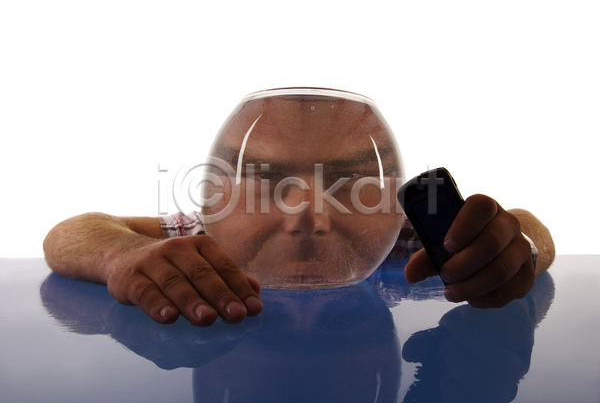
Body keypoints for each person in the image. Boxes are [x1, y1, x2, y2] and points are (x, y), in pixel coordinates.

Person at [43, 88, 555, 327]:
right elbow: (76, 230)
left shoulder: (403, 236)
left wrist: (514, 248)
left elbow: (525, 226)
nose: (308, 217)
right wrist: (122, 255)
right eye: (267, 180)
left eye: (348, 182)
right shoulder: (199, 238)